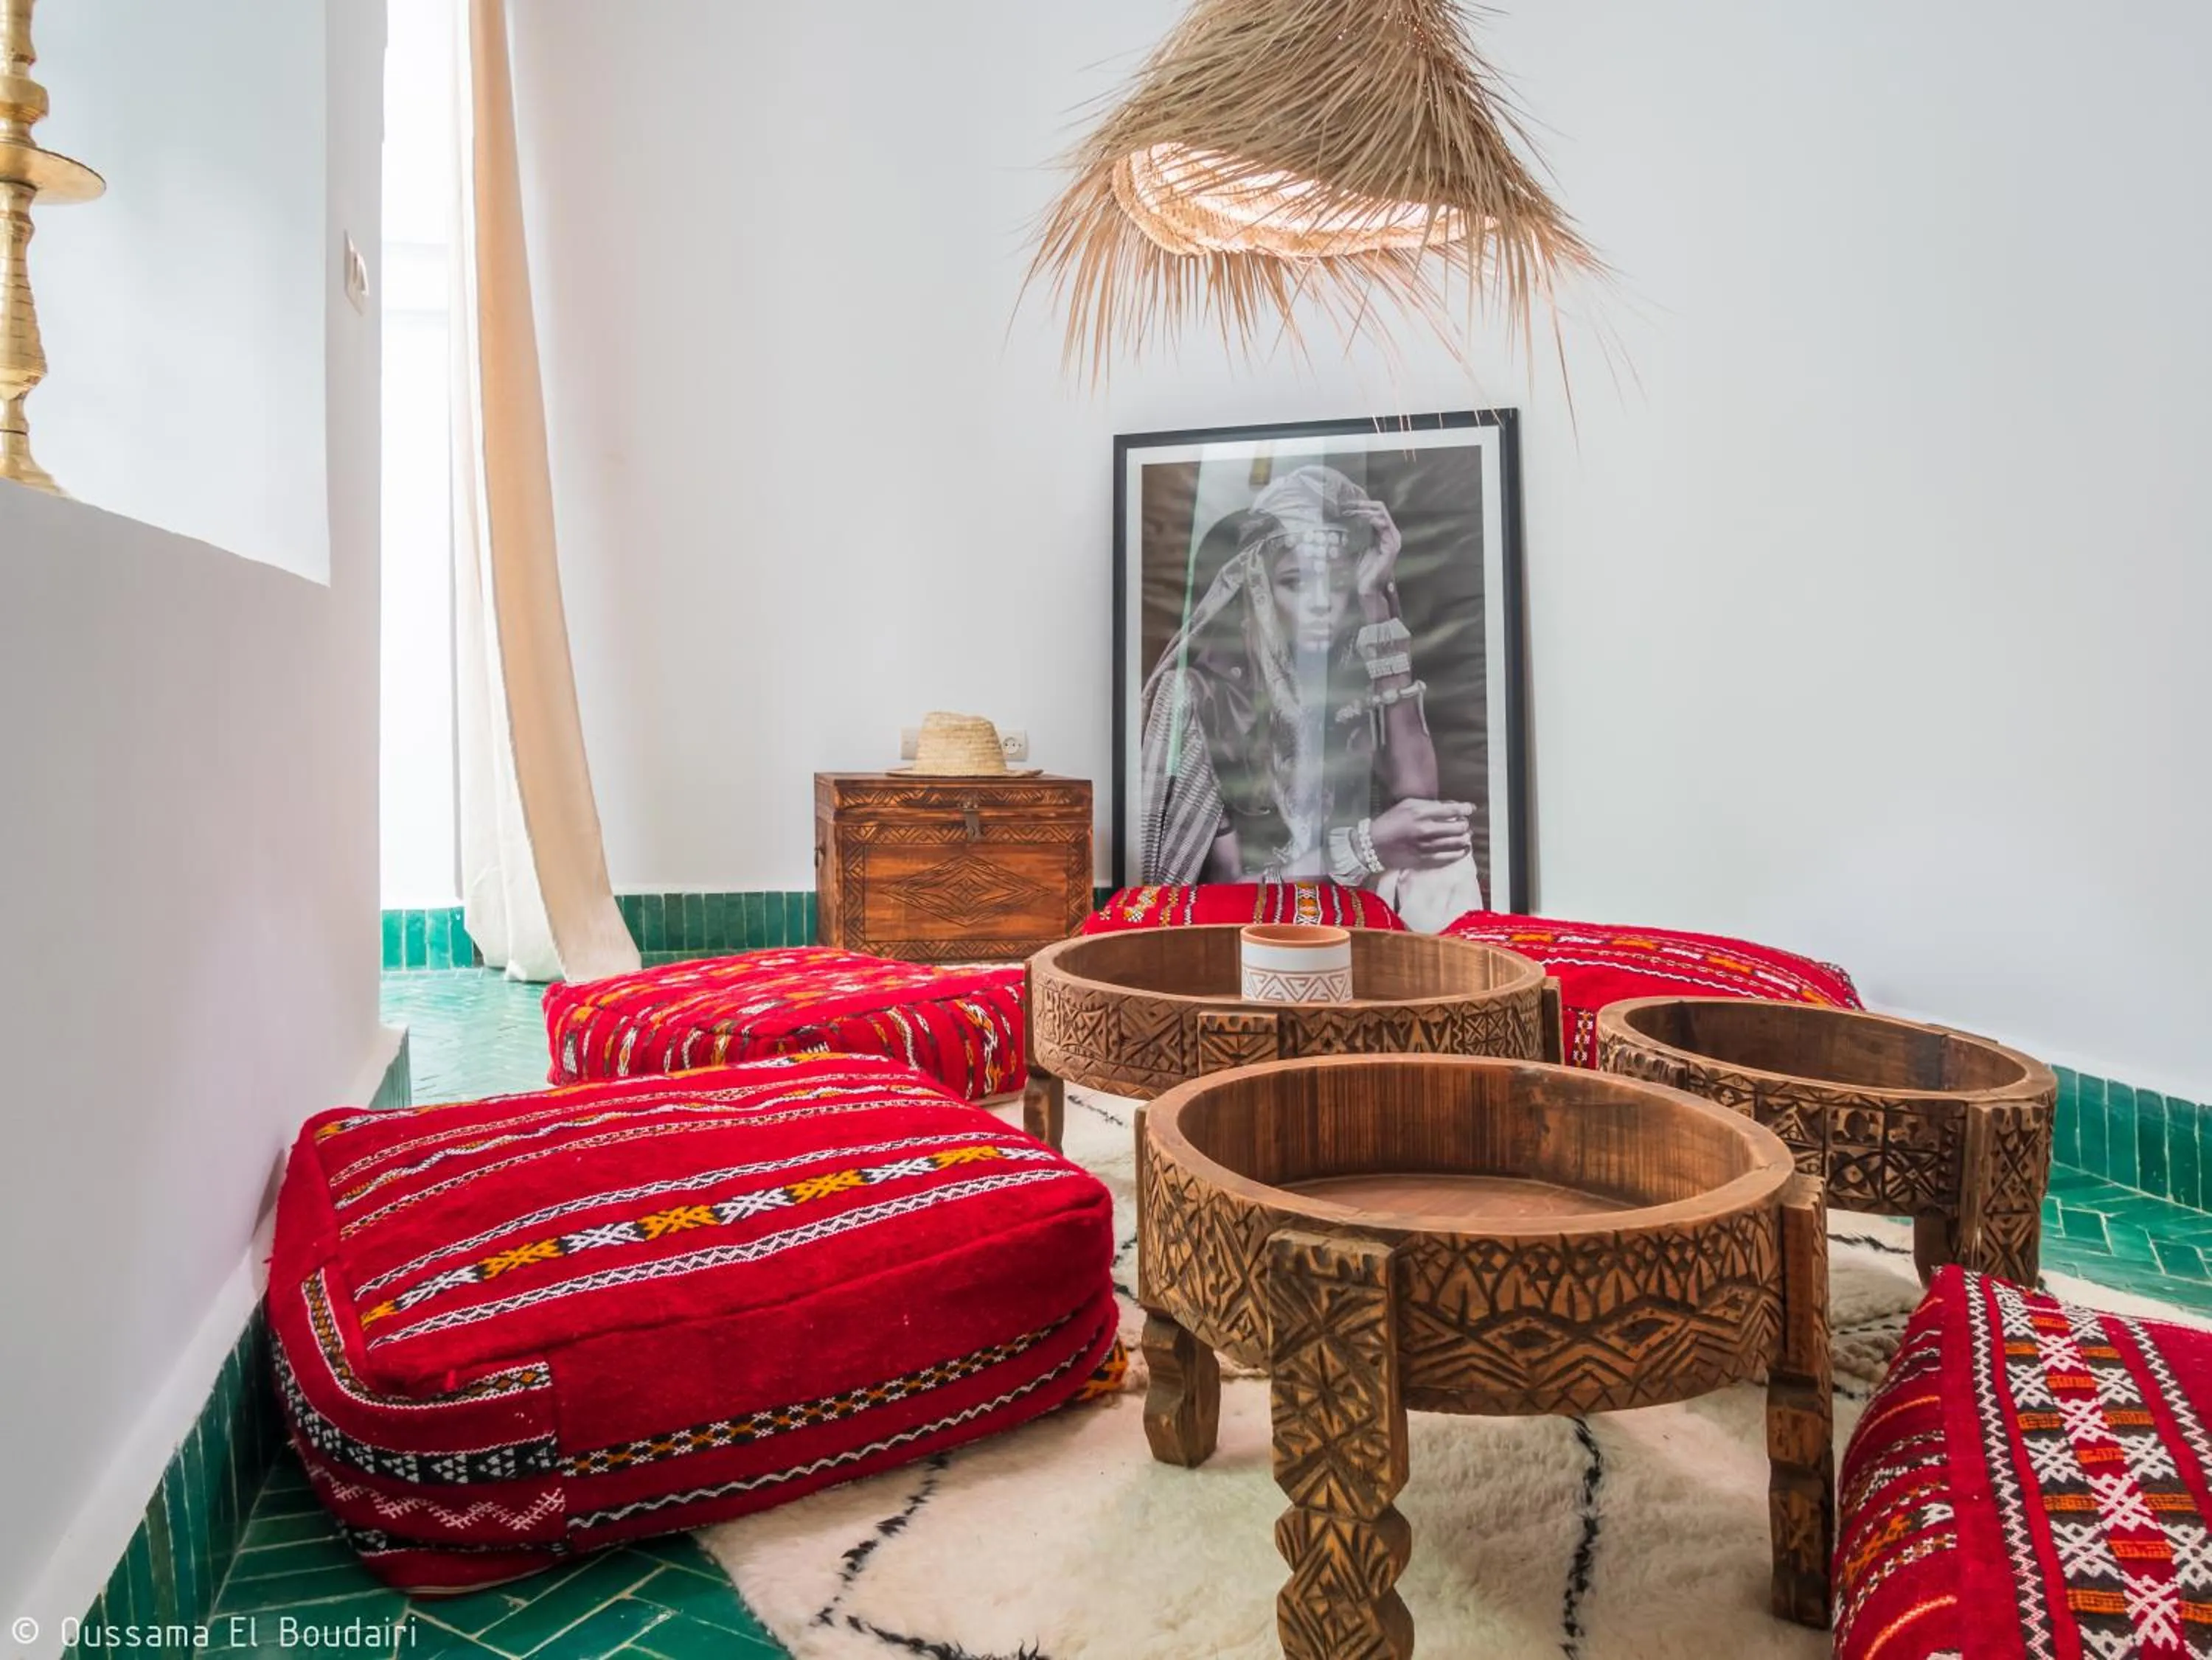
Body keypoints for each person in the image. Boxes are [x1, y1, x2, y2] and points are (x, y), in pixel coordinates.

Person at [1135, 463, 1484, 931]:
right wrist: (1362, 848)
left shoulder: (1346, 675)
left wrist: (1376, 599)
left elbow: (1418, 795)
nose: (1323, 602)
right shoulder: (1200, 695)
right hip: (1242, 922)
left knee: (1445, 855)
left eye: (1337, 584)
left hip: (1334, 896)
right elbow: (1218, 889)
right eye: (1297, 583)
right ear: (1257, 591)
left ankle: (1452, 1000)